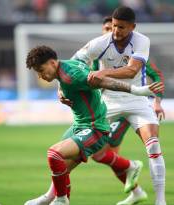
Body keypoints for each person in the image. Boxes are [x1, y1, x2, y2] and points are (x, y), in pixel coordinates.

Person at [24, 45, 163, 205]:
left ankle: (61, 200)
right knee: (61, 167)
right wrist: (60, 89)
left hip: (94, 128)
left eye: (41, 70)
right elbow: (80, 68)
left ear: (53, 63)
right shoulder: (67, 65)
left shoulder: (72, 75)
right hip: (79, 125)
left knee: (54, 154)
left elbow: (102, 81)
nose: (41, 76)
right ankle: (52, 198)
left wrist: (136, 90)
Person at [59, 15, 166, 205]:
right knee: (85, 151)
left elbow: (144, 73)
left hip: (136, 102)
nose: (114, 31)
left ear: (132, 27)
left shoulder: (140, 45)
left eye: (119, 27)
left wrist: (157, 101)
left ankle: (160, 201)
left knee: (150, 146)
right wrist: (62, 88)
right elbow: (70, 67)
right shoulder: (98, 48)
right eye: (111, 27)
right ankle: (135, 189)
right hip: (107, 104)